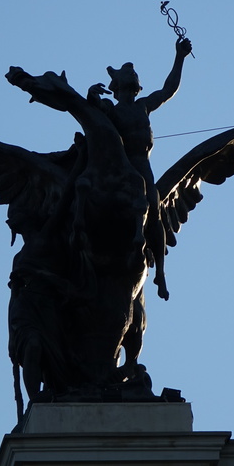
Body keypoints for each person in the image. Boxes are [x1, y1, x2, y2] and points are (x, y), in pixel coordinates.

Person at [87, 36, 193, 300]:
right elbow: (91, 113)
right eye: (128, 73)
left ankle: (160, 272)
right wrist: (91, 94)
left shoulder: (144, 106)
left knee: (154, 207)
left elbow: (168, 89)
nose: (133, 75)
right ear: (117, 84)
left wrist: (179, 57)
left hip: (143, 165)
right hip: (122, 165)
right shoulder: (111, 109)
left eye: (134, 73)